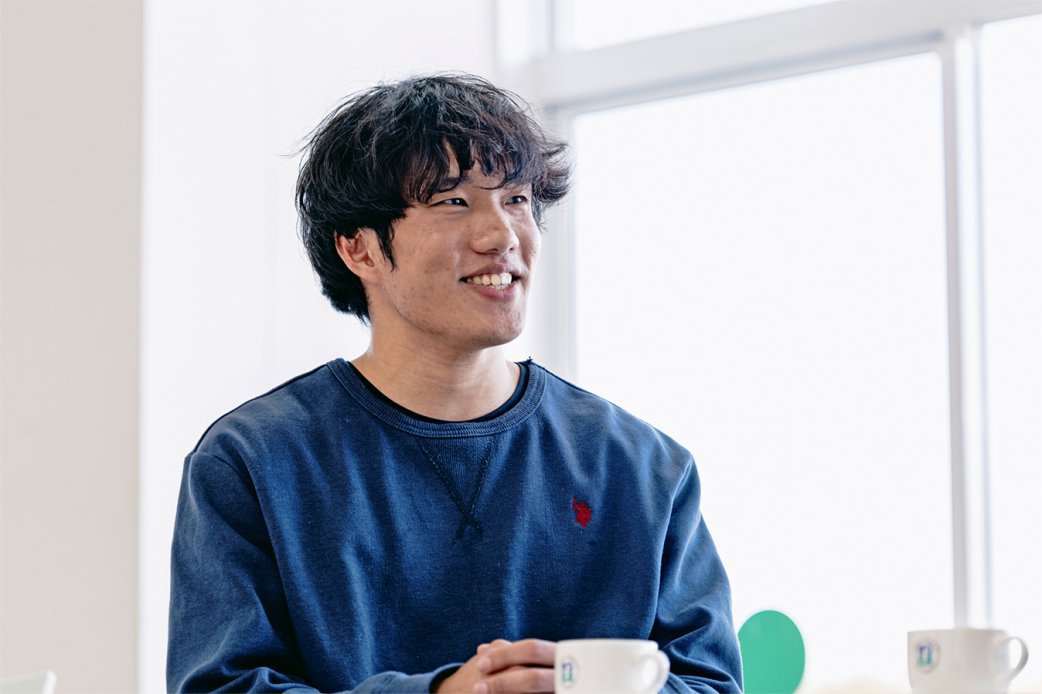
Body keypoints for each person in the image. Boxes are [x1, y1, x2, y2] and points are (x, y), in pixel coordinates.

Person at [167, 73, 743, 693]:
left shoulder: (644, 466)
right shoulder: (253, 461)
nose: (502, 235)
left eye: (517, 199)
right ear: (359, 249)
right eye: (453, 202)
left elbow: (710, 683)